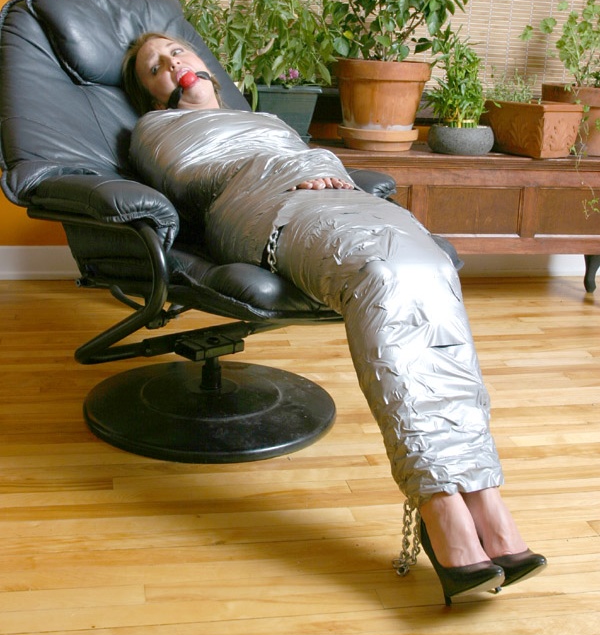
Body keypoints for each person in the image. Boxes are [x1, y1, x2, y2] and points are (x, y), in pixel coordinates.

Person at [122, 32, 547, 605]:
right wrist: (291, 171)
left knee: (427, 268)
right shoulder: (154, 129)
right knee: (382, 274)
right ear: (152, 94)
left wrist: (321, 167)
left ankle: (482, 493)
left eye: (177, 51)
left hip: (339, 197)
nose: (172, 62)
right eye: (154, 68)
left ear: (203, 62)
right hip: (262, 207)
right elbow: (190, 177)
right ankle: (442, 505)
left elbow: (310, 155)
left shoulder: (266, 118)